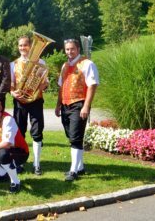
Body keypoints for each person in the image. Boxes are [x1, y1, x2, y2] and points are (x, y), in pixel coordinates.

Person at [54, 39, 99, 182]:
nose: (69, 52)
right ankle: (80, 167)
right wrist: (58, 104)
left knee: (75, 138)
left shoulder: (87, 64)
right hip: (66, 105)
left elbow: (92, 86)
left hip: (79, 104)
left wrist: (86, 106)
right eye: (67, 49)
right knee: (72, 136)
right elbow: (61, 87)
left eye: (72, 49)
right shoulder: (64, 65)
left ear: (78, 49)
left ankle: (73, 171)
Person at [10, 36, 48, 175]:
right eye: (20, 46)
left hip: (36, 101)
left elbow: (45, 83)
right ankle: (19, 163)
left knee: (37, 132)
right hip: (20, 102)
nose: (22, 48)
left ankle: (36, 164)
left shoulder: (40, 62)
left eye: (25, 45)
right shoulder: (13, 64)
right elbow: (11, 84)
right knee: (19, 132)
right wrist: (14, 94)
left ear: (31, 46)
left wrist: (41, 86)